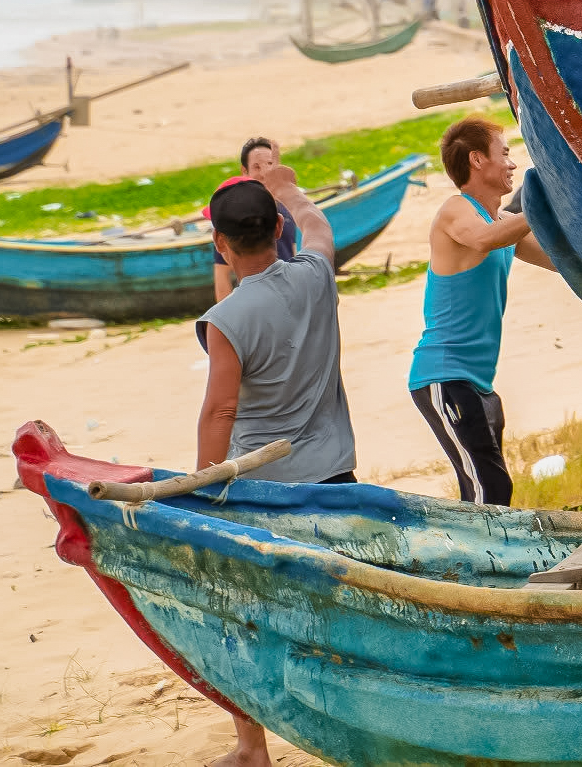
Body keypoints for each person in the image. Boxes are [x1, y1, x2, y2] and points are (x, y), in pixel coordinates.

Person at [198, 161, 357, 767]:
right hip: (337, 475)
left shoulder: (227, 319)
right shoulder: (316, 275)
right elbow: (319, 227)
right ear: (276, 229)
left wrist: (202, 489)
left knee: (243, 618)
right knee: (336, 611)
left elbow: (221, 409)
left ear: (221, 244)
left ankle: (250, 750)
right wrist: (291, 191)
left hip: (263, 491)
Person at [409, 117, 558, 504]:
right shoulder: (455, 211)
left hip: (479, 383)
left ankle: (476, 562)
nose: (512, 164)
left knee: (486, 490)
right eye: (505, 154)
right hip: (443, 375)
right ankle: (487, 564)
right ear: (477, 160)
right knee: (489, 488)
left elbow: (563, 262)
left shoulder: (504, 222)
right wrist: (541, 205)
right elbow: (482, 240)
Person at [210, 136, 295, 307]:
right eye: (257, 167)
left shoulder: (286, 210)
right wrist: (228, 317)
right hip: (255, 304)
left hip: (289, 299)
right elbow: (222, 275)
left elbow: (293, 253)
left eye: (270, 164)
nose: (264, 172)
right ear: (245, 171)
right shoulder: (234, 216)